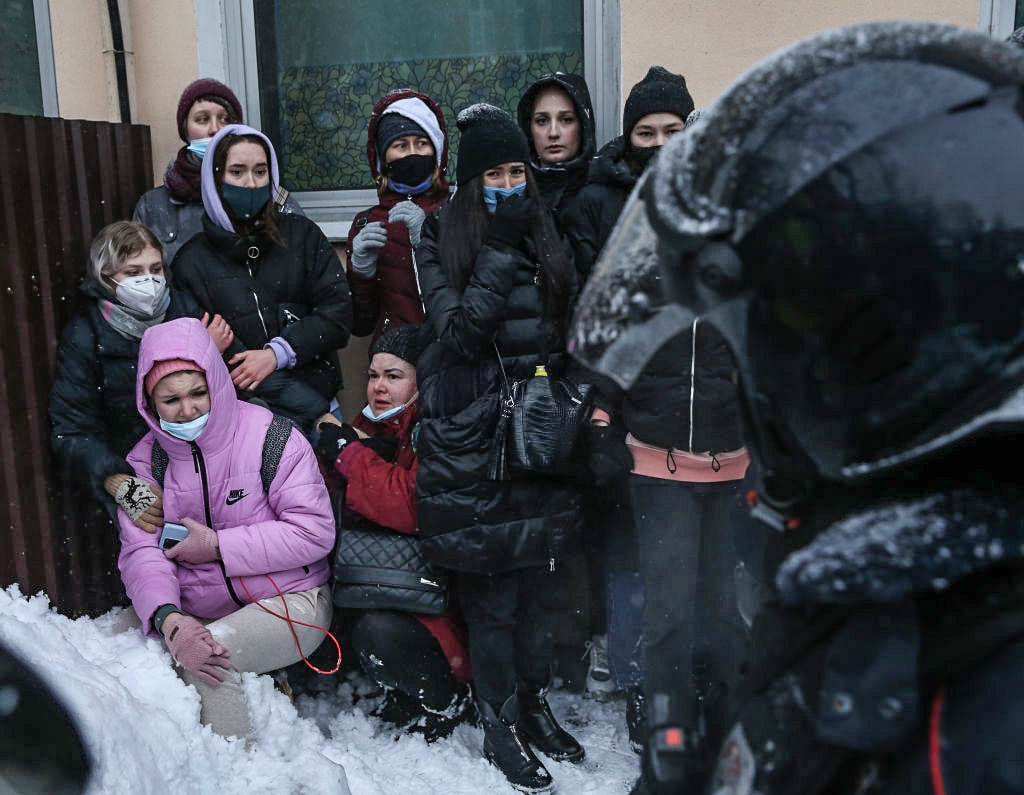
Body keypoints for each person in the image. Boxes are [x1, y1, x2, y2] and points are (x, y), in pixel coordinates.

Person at [570, 20, 1024, 795]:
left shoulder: (981, 680)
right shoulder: (853, 562)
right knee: (674, 603)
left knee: (715, 602)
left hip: (722, 462)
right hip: (664, 453)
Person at [414, 104, 584, 793]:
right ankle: (499, 722)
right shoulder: (438, 235)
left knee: (540, 584)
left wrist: (570, 402)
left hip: (538, 435)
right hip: (474, 442)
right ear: (469, 180)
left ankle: (535, 704)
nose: (510, 184)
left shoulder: (546, 230)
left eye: (518, 171)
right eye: (495, 173)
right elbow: (459, 335)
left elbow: (567, 329)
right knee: (493, 595)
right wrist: (499, 245)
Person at [117, 317, 342, 758]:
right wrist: (169, 619)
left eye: (198, 393)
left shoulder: (274, 438)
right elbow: (141, 549)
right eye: (171, 400)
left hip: (291, 601)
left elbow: (315, 533)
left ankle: (243, 772)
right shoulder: (142, 464)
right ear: (149, 404)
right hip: (195, 607)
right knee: (111, 649)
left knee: (210, 661)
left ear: (217, 384)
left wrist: (220, 546)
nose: (187, 410)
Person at [314, 324, 473, 741]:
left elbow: (409, 508)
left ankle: (446, 699)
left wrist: (350, 454)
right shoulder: (371, 425)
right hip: (380, 577)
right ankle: (403, 690)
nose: (379, 387)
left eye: (394, 376)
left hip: (433, 592)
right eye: (372, 376)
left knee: (379, 631)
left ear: (421, 381)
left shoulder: (434, 426)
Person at [50, 220, 233, 531]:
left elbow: (232, 395)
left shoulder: (186, 309)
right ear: (105, 278)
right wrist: (118, 482)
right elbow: (70, 431)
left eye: (155, 269)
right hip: (140, 474)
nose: (148, 281)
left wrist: (207, 356)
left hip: (208, 469)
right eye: (132, 272)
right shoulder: (86, 336)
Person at [170, 124, 353, 434]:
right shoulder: (191, 262)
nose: (251, 183)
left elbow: (338, 315)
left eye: (260, 171)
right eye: (237, 172)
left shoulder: (302, 235)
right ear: (216, 180)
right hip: (245, 419)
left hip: (322, 406)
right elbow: (215, 355)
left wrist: (278, 354)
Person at [133, 78, 303, 264]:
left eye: (225, 119)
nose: (214, 129)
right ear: (185, 129)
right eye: (202, 119)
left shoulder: (269, 194)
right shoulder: (153, 205)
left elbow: (302, 256)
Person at [563, 65, 693, 278]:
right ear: (629, 140)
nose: (660, 143)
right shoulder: (594, 201)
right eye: (646, 133)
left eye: (672, 132)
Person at [346, 90, 450, 342]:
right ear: (383, 159)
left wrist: (429, 240)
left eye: (422, 143)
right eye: (401, 145)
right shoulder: (365, 223)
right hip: (395, 363)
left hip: (451, 357)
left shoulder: (459, 210)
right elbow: (360, 324)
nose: (412, 153)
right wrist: (361, 271)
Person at [516, 72, 596, 221]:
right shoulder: (514, 191)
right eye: (542, 121)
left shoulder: (602, 196)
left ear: (583, 126)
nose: (553, 133)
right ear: (529, 129)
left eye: (566, 119)